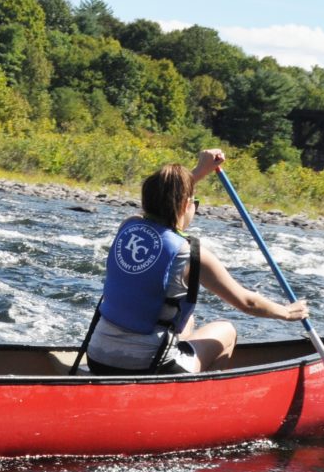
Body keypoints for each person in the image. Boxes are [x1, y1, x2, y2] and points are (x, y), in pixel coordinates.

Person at [82, 148, 308, 375]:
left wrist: (199, 171)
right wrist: (287, 312)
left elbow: (163, 199)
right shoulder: (189, 253)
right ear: (184, 206)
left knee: (187, 322)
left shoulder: (129, 226)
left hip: (97, 355)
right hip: (146, 366)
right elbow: (246, 302)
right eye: (195, 203)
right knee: (226, 330)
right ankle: (198, 399)